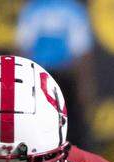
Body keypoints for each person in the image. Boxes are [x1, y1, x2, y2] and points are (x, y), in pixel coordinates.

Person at [17, 0, 97, 149]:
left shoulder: (70, 9)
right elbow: (22, 48)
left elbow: (82, 52)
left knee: (69, 130)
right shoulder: (35, 8)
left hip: (62, 80)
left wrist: (83, 85)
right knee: (38, 130)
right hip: (41, 79)